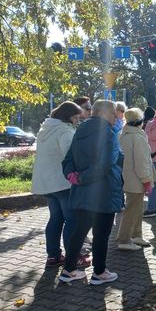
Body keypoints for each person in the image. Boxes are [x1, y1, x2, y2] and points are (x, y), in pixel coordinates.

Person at [59, 99, 123, 284]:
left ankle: (69, 270)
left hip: (82, 192)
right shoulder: (109, 134)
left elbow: (68, 159)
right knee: (101, 235)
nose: (115, 118)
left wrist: (72, 175)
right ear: (104, 114)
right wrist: (83, 177)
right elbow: (106, 163)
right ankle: (100, 272)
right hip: (104, 192)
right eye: (113, 114)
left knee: (79, 232)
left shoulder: (80, 130)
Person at [31, 101, 88, 268]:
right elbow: (71, 156)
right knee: (72, 220)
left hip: (47, 183)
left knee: (56, 218)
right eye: (76, 117)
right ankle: (73, 256)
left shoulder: (46, 129)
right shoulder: (64, 131)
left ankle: (53, 255)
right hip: (63, 182)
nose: (78, 121)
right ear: (68, 117)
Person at [117, 108, 156, 251]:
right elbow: (141, 162)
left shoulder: (123, 134)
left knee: (136, 209)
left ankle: (136, 235)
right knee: (131, 210)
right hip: (136, 179)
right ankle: (124, 240)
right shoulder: (138, 137)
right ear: (140, 122)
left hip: (128, 178)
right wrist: (146, 180)